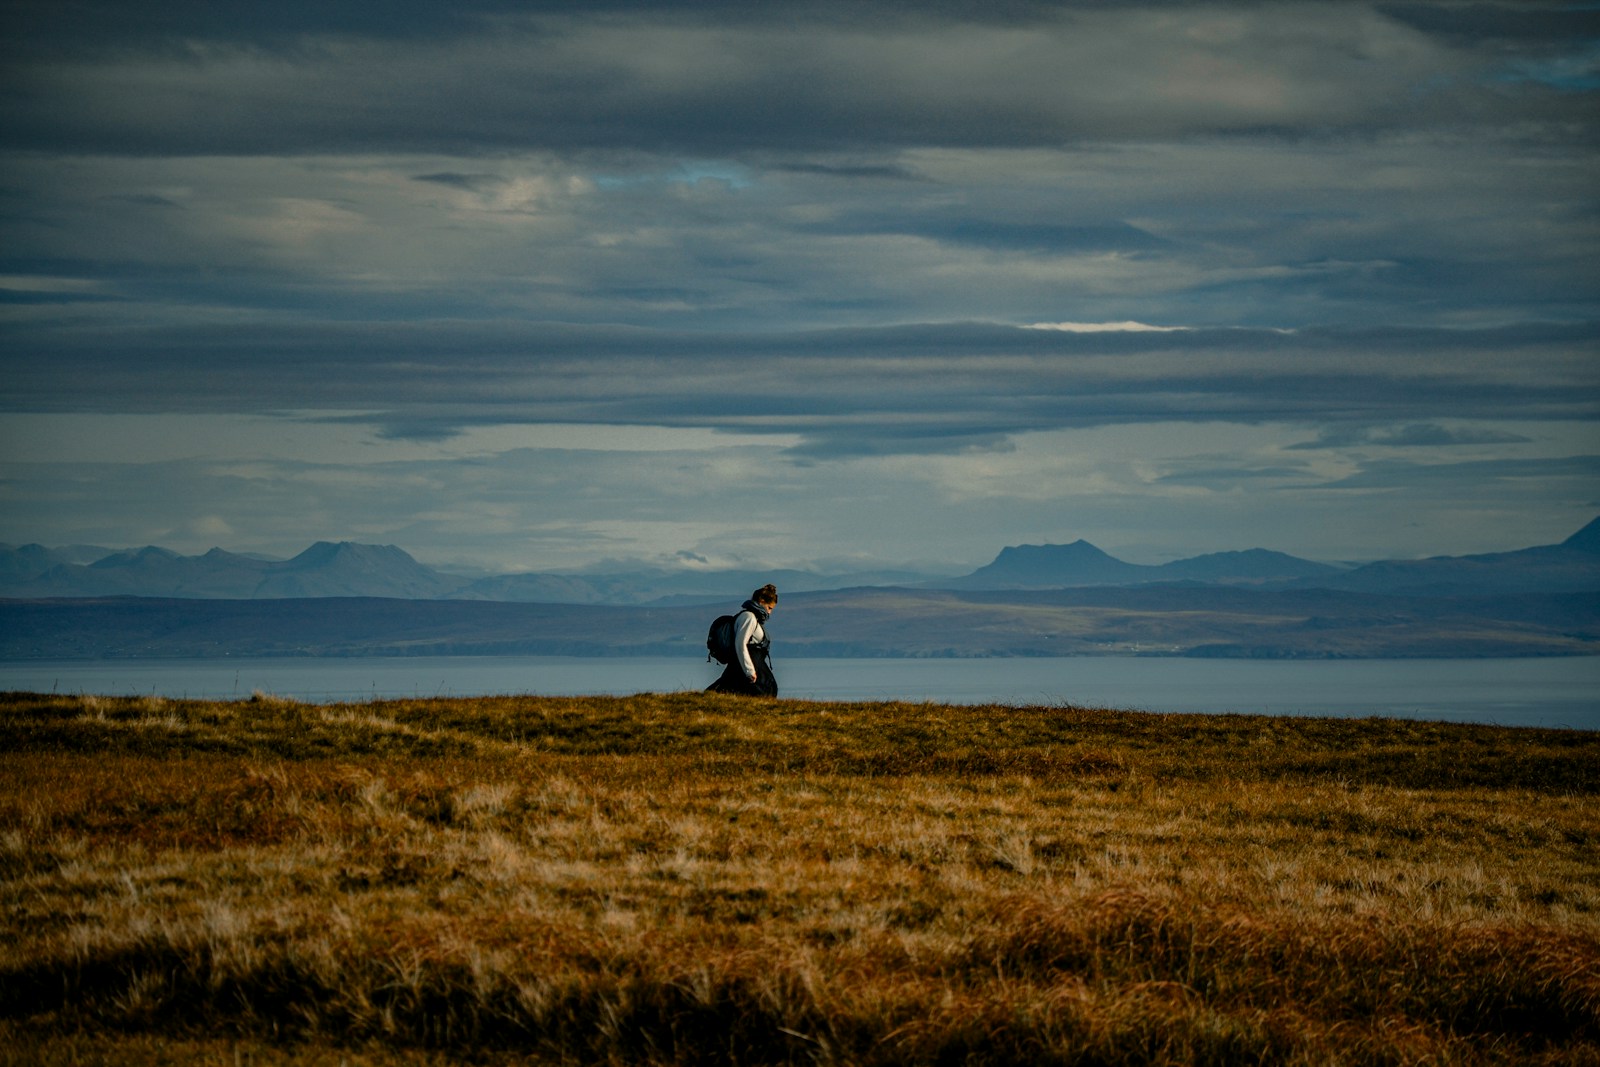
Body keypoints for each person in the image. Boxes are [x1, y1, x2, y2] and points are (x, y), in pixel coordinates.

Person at [706, 584, 779, 697]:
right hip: (745, 667)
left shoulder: (752, 618)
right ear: (761, 601)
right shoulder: (748, 617)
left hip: (745, 666)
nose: (769, 612)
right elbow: (740, 644)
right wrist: (749, 671)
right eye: (769, 608)